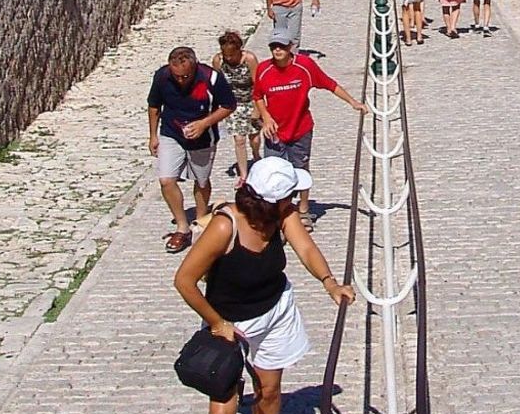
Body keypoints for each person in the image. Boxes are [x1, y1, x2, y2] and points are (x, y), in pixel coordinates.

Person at [173, 157, 356, 414]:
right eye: (290, 194)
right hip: (229, 321)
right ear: (270, 199)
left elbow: (305, 248)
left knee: (270, 390)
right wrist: (217, 322)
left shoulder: (281, 214)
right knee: (223, 409)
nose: (296, 200)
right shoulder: (225, 227)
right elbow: (184, 280)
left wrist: (329, 282)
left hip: (275, 311)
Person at [252, 37, 363, 221]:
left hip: (300, 128)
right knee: (273, 173)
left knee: (301, 168)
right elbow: (257, 96)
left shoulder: (305, 66)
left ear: (290, 48)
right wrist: (265, 116)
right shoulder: (264, 69)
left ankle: (303, 209)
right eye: (273, 46)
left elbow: (329, 84)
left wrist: (353, 102)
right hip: (275, 132)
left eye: (282, 46)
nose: (277, 50)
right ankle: (277, 214)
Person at [147, 45, 236, 252]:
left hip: (203, 137)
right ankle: (182, 227)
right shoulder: (162, 76)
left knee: (201, 180)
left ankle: (201, 222)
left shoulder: (211, 78)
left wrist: (204, 124)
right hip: (171, 132)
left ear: (194, 67)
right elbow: (154, 106)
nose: (180, 80)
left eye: (185, 76)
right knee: (166, 179)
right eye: (176, 76)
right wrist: (153, 135)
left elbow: (228, 105)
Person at [211, 31, 261, 181]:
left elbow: (258, 84)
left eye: (232, 55)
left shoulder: (250, 59)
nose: (229, 58)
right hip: (232, 104)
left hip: (251, 100)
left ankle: (256, 155)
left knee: (255, 138)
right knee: (239, 139)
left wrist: (257, 109)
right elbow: (216, 84)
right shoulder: (218, 61)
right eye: (226, 55)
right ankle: (244, 174)